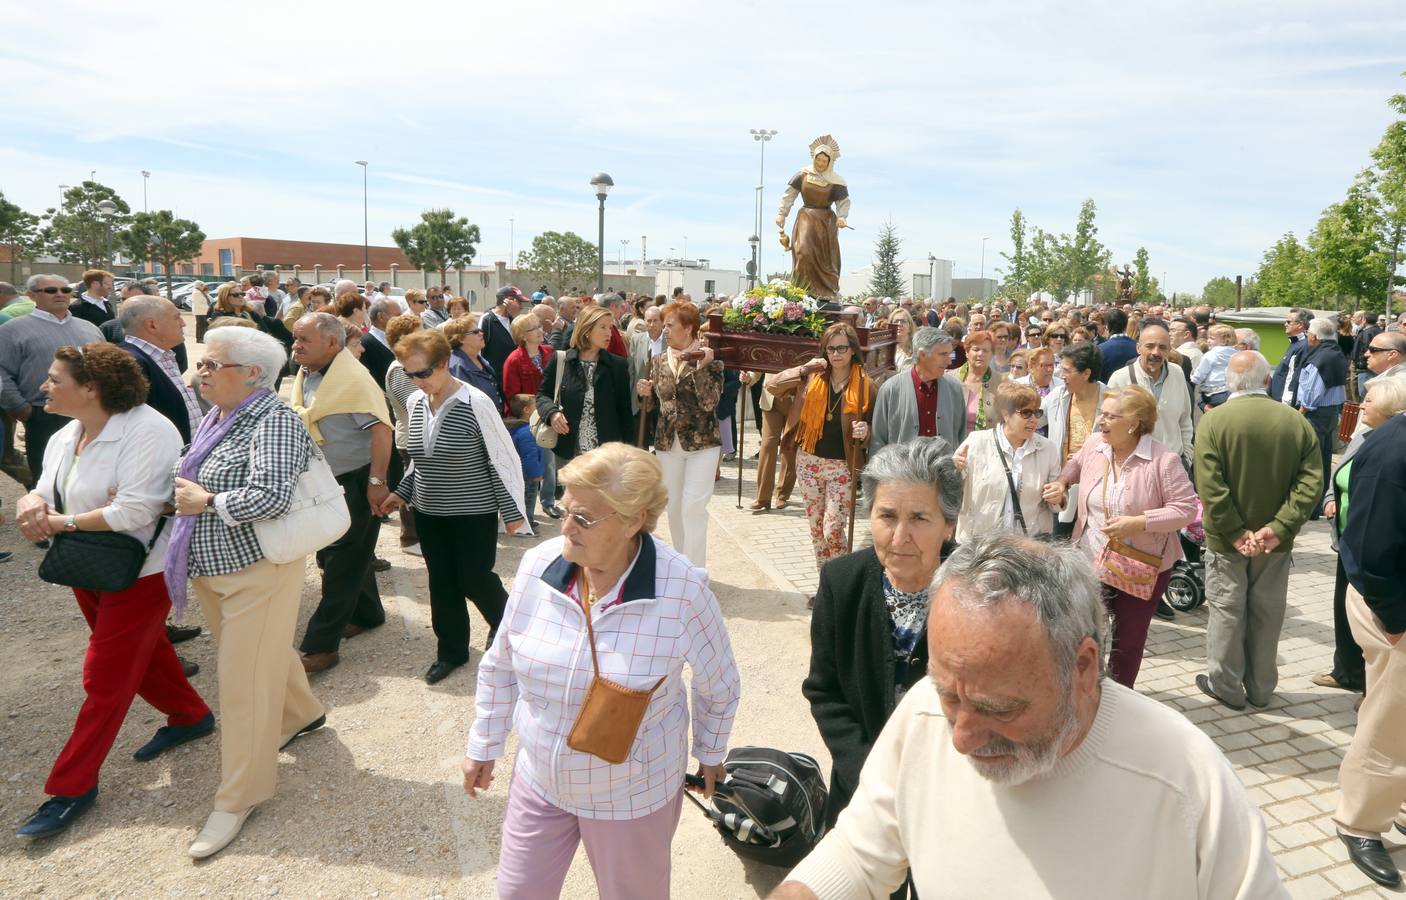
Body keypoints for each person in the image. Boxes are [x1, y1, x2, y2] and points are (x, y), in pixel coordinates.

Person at [770, 533, 1286, 900]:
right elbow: (862, 853)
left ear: (1083, 667)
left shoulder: (1185, 778)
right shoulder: (924, 711)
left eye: (999, 708)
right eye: (950, 695)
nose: (963, 739)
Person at [461, 443, 740, 900]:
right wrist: (485, 743)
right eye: (566, 509)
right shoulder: (538, 565)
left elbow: (719, 682)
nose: (565, 528)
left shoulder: (683, 589)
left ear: (633, 520)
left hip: (631, 794)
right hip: (541, 780)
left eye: (584, 518)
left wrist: (711, 751)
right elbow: (501, 664)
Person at [13, 344, 212, 841]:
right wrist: (31, 501)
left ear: (91, 388)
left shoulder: (148, 429)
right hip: (89, 563)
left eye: (54, 379)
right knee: (141, 656)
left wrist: (63, 521)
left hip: (141, 571)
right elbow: (45, 484)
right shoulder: (67, 432)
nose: (44, 386)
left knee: (103, 675)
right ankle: (192, 715)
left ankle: (72, 786)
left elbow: (133, 513)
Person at [163, 326, 326, 858]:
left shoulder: (274, 419)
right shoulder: (221, 414)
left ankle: (238, 798)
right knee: (262, 658)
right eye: (201, 363)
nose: (199, 373)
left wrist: (206, 502)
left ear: (252, 375)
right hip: (214, 567)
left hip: (256, 570)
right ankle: (301, 713)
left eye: (212, 365)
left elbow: (272, 496)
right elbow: (195, 469)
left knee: (241, 686)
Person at [804, 439, 960, 838]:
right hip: (860, 792)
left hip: (947, 799)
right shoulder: (842, 582)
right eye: (887, 515)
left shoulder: (975, 592)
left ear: (949, 526)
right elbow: (825, 691)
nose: (900, 535)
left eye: (920, 518)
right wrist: (869, 775)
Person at [380, 329, 527, 682]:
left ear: (445, 363)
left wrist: (512, 513)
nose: (417, 382)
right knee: (442, 583)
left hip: (472, 512)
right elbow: (419, 460)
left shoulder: (475, 404)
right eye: (409, 374)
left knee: (475, 578)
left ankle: (509, 627)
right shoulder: (416, 403)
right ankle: (451, 652)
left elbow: (499, 460)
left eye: (424, 373)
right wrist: (402, 491)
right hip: (430, 512)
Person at [1194, 352, 1321, 711]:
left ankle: (1227, 684)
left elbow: (1209, 485)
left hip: (1226, 540)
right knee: (1268, 611)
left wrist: (1235, 532)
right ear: (1267, 380)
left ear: (1228, 384)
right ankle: (1263, 686)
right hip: (1274, 543)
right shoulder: (1295, 423)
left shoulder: (1214, 422)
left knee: (1226, 610)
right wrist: (1279, 528)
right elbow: (1311, 482)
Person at [1053, 385, 1197, 687]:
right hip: (1089, 560)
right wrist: (1064, 481)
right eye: (1102, 415)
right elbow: (1077, 463)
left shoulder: (1163, 460)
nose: (1101, 422)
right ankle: (1082, 693)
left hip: (1141, 566)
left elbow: (1185, 509)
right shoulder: (1095, 445)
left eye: (1110, 417)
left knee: (1127, 641)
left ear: (1133, 424)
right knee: (1083, 633)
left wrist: (1140, 522)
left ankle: (1118, 699)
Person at [288, 313, 394, 674]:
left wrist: (377, 484)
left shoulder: (352, 380)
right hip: (323, 480)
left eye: (303, 339)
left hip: (354, 480)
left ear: (332, 344)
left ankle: (322, 645)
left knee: (339, 562)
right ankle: (368, 614)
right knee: (349, 553)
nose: (295, 345)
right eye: (294, 338)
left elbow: (382, 431)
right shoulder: (310, 372)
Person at [1331, 398, 1406, 888]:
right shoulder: (1397, 445)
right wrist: (1397, 616)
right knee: (1388, 720)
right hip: (1394, 608)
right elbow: (1373, 549)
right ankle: (1359, 821)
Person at [1311, 376, 1406, 694]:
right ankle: (1348, 672)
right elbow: (1340, 474)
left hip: (1375, 552)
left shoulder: (1392, 446)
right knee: (1344, 611)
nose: (1361, 404)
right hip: (1350, 540)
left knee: (1375, 625)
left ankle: (1370, 687)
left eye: (1370, 400)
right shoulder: (1364, 434)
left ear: (1393, 406)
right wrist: (1328, 499)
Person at [768, 323, 876, 574]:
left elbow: (875, 426)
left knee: (833, 530)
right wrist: (804, 368)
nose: (836, 354)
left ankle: (841, 582)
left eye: (842, 348)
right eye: (830, 348)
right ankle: (825, 586)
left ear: (852, 350)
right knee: (817, 529)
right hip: (809, 462)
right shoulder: (812, 377)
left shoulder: (865, 385)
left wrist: (866, 431)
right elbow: (773, 386)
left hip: (842, 466)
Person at [636, 301, 723, 567]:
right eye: (664, 326)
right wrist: (645, 394)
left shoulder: (713, 361)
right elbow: (655, 407)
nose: (665, 331)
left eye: (670, 326)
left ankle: (695, 572)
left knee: (693, 508)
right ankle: (681, 564)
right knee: (673, 508)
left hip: (702, 445)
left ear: (689, 328)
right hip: (666, 444)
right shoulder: (659, 360)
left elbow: (710, 403)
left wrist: (700, 368)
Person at [0, 275, 105, 488]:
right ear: (31, 296)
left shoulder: (89, 328)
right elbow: (2, 372)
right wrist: (21, 408)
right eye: (50, 290)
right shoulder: (11, 330)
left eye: (65, 290)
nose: (59, 294)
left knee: (89, 477)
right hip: (44, 415)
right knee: (47, 480)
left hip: (92, 414)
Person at [953, 382, 1064, 542]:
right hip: (980, 545)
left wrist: (1058, 497)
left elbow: (1055, 502)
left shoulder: (1047, 449)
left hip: (1026, 547)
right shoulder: (977, 443)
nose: (1034, 419)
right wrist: (955, 470)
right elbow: (951, 489)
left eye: (1037, 413)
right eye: (1026, 413)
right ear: (1006, 414)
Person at [535, 306, 634, 465]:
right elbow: (542, 395)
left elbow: (625, 412)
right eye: (603, 327)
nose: (609, 332)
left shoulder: (617, 365)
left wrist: (630, 450)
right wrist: (552, 413)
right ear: (587, 330)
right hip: (568, 451)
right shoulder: (561, 360)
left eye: (610, 327)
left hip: (606, 455)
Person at [115, 295, 202, 443]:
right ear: (152, 325)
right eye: (176, 318)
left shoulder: (161, 354)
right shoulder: (128, 363)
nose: (183, 324)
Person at [1106, 321, 1194, 464]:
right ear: (1138, 348)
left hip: (1174, 464)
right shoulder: (1120, 378)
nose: (1156, 352)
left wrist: (1187, 458)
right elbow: (1108, 425)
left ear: (1169, 349)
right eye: (1150, 346)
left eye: (1162, 347)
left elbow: (1185, 420)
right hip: (1136, 467)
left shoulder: (1177, 373)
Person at [775, 135, 850, 299]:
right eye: (819, 160)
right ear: (814, 158)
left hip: (826, 220)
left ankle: (826, 292)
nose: (821, 164)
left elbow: (843, 202)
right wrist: (782, 213)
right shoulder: (802, 174)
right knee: (803, 251)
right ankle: (803, 291)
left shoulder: (836, 180)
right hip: (806, 217)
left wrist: (842, 217)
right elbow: (789, 195)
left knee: (826, 259)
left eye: (825, 161)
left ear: (830, 162)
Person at [870, 328, 964, 454]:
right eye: (943, 354)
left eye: (949, 354)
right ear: (922, 354)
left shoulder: (954, 389)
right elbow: (878, 441)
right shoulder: (890, 390)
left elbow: (961, 437)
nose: (949, 361)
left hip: (942, 472)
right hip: (902, 472)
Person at [1295, 317, 1348, 517]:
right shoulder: (1336, 353)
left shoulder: (1320, 357)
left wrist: (1301, 411)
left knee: (1311, 460)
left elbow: (1313, 391)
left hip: (1315, 413)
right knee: (1323, 459)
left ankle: (1311, 506)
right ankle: (1318, 504)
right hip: (1330, 411)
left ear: (1314, 336)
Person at [382, 313, 424, 556]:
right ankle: (410, 538)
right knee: (412, 489)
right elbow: (414, 403)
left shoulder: (409, 365)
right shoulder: (399, 369)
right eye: (419, 330)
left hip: (418, 436)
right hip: (410, 438)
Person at [445, 315, 503, 409]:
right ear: (461, 339)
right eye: (475, 332)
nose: (481, 333)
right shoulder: (457, 367)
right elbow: (464, 403)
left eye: (480, 330)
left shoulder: (480, 359)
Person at [504, 394, 544, 531]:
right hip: (528, 475)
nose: (537, 409)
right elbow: (529, 456)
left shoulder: (513, 428)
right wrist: (536, 474)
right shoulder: (527, 432)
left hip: (517, 473)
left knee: (518, 499)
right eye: (535, 407)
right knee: (529, 498)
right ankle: (527, 524)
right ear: (526, 410)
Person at [627, 304, 665, 446]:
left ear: (662, 322)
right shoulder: (637, 339)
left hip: (662, 397)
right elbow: (631, 370)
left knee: (659, 439)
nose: (652, 324)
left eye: (655, 320)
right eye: (648, 321)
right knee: (639, 439)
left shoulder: (669, 340)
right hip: (641, 398)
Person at [502, 313, 554, 413]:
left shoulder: (550, 351)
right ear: (523, 336)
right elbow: (513, 398)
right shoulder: (513, 360)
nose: (540, 330)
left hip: (551, 410)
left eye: (539, 326)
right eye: (533, 328)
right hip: (529, 417)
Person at [1270, 308, 1314, 405]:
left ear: (1300, 324)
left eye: (1288, 322)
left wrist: (1287, 402)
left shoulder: (1304, 346)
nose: (1285, 324)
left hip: (1285, 403)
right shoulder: (1296, 343)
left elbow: (1296, 376)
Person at [482, 285, 526, 381]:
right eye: (519, 302)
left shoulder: (515, 318)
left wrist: (515, 316)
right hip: (496, 378)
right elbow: (479, 352)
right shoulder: (487, 320)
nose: (521, 307)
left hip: (515, 377)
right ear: (508, 300)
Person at [1191, 323, 1237, 410]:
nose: (1208, 341)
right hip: (1230, 391)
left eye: (1212, 338)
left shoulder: (1211, 354)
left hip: (1213, 393)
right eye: (1208, 338)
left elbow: (1201, 372)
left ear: (1225, 341)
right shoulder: (1236, 353)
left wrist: (1194, 379)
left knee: (1201, 401)